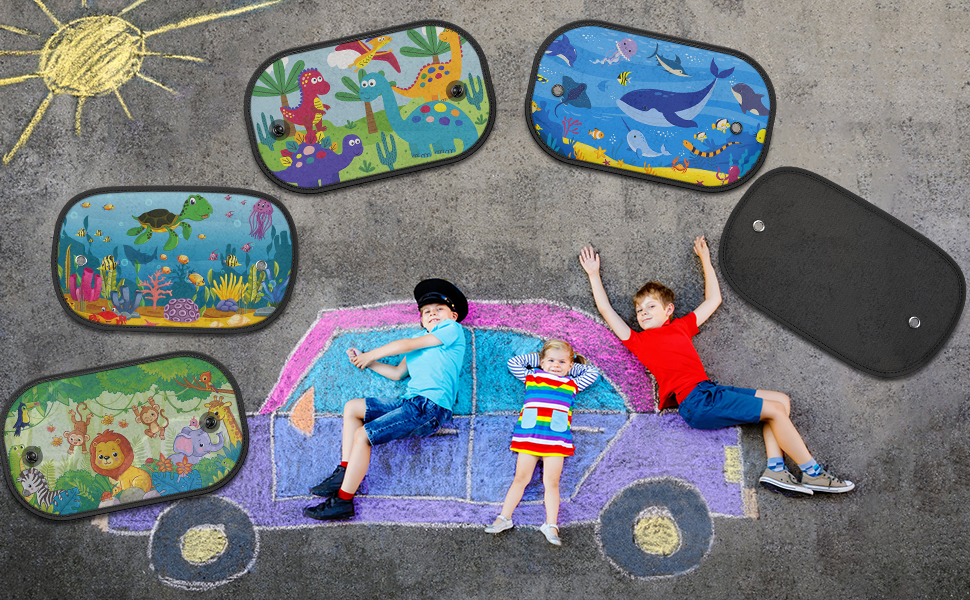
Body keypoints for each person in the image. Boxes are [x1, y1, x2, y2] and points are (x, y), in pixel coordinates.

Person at [579, 238, 854, 495]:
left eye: (650, 307)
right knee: (774, 411)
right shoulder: (639, 341)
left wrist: (705, 260)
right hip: (696, 401)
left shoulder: (681, 327)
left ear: (669, 310)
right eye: (639, 310)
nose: (643, 313)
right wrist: (593, 274)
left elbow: (713, 300)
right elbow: (606, 310)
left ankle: (777, 469)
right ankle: (812, 473)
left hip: (709, 392)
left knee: (780, 401)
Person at [303, 279, 469, 520]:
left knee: (363, 436)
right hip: (412, 404)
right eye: (426, 312)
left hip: (430, 408)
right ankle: (344, 471)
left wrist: (371, 354)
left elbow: (407, 344)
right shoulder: (419, 343)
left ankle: (343, 501)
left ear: (453, 315)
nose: (432, 313)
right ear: (422, 321)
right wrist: (367, 361)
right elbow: (398, 373)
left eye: (439, 309)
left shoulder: (452, 330)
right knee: (353, 408)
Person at [485, 340, 600, 545]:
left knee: (551, 483)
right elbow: (513, 363)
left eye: (562, 362)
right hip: (529, 437)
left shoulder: (572, 383)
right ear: (542, 362)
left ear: (570, 365)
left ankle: (551, 524)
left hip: (556, 441)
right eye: (551, 360)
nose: (556, 365)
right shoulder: (532, 376)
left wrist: (571, 365)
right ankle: (504, 518)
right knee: (521, 479)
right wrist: (539, 359)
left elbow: (593, 373)